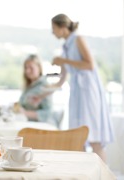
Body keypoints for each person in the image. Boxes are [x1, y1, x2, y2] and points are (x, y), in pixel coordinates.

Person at [51, 14, 113, 161]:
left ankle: (103, 175)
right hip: (77, 92)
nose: (52, 32)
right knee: (78, 138)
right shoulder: (65, 46)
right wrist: (47, 89)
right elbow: (63, 77)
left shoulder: (78, 39)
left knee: (94, 136)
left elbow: (89, 64)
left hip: (88, 91)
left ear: (63, 28)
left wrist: (63, 60)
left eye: (54, 28)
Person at [19, 55, 55, 126]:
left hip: (42, 128)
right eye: (26, 68)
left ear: (39, 67)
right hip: (28, 125)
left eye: (31, 68)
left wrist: (25, 113)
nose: (27, 71)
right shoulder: (28, 87)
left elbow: (48, 113)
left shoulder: (44, 87)